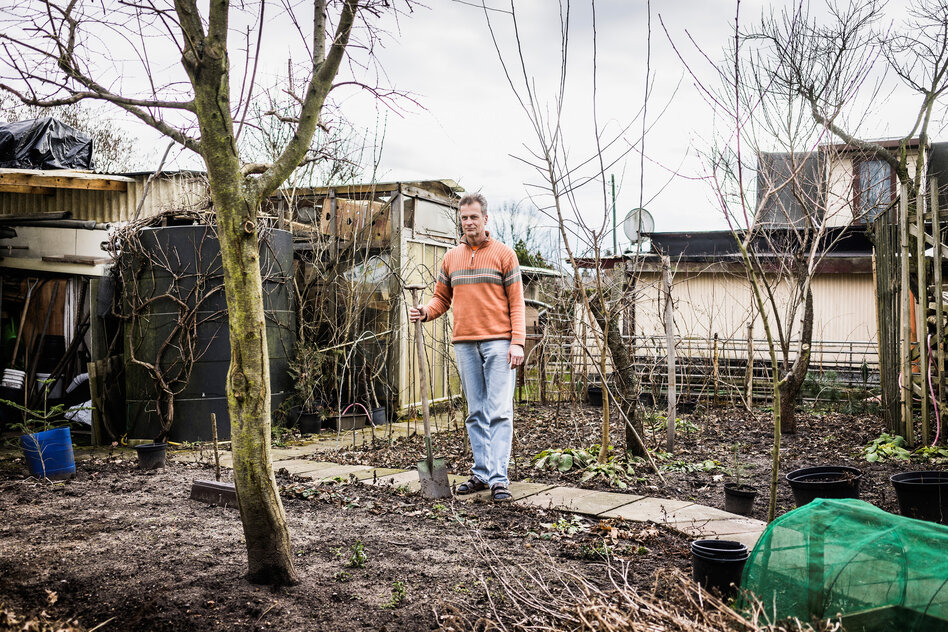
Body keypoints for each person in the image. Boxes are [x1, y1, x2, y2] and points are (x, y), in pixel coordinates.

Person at [408, 193, 525, 502]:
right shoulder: (451, 257)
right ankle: (482, 472)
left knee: (498, 411)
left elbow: (517, 303)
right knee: (475, 412)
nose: (469, 222)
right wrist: (426, 312)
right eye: (464, 218)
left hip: (499, 343)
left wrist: (517, 342)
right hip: (464, 343)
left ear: (485, 219)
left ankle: (499, 478)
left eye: (474, 217)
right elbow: (441, 298)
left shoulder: (504, 255)